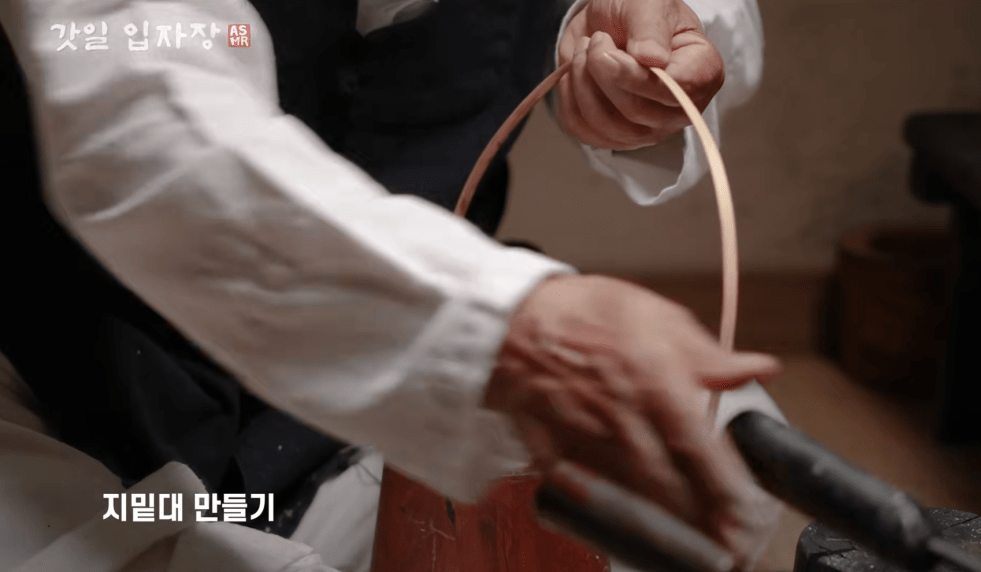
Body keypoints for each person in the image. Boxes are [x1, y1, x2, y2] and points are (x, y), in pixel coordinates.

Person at [0, 0, 785, 570]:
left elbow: (710, 21)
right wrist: (506, 332)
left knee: (726, 453)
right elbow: (139, 122)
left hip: (345, 418)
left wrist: (637, 34)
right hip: (65, 401)